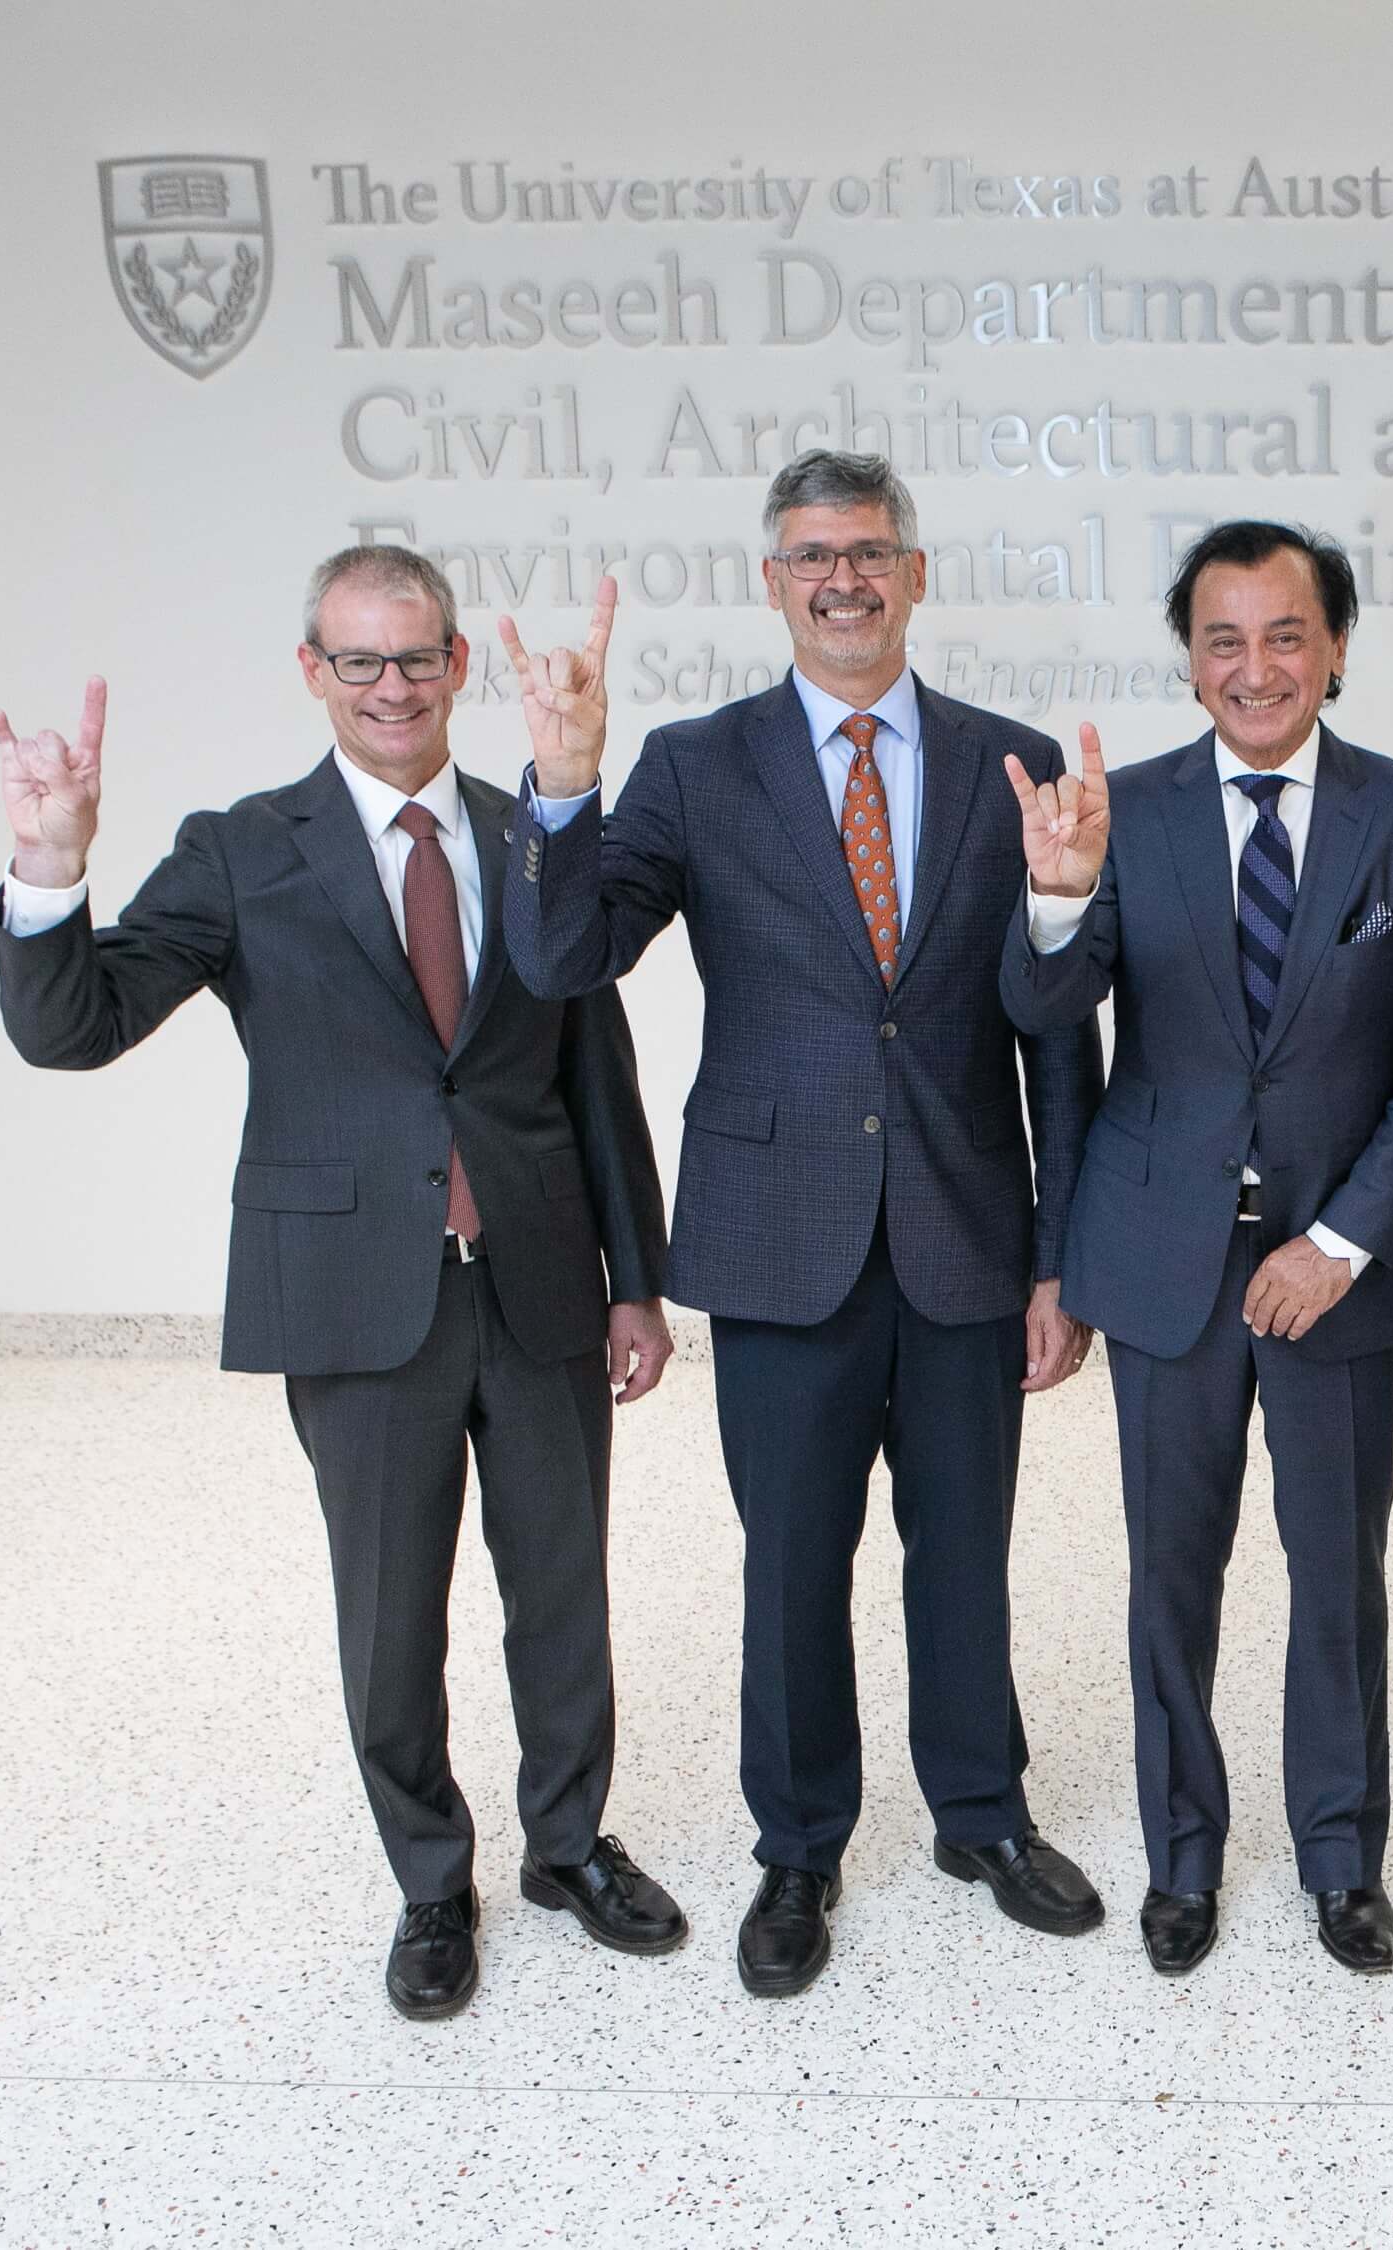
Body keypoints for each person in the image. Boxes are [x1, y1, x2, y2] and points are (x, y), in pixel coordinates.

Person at [0, 544, 683, 2022]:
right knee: (390, 1616)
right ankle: (434, 1881)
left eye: (416, 656)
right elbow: (80, 1024)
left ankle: (568, 1843)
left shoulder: (528, 830)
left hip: (543, 1275)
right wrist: (51, 869)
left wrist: (637, 1276)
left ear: (456, 669)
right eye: (358, 659)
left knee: (563, 1591)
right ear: (313, 671)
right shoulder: (244, 848)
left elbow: (592, 1070)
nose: (390, 685)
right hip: (361, 1302)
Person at [499, 450, 1107, 1998]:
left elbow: (1054, 1028)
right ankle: (799, 1844)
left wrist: (1063, 1252)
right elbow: (571, 956)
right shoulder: (696, 768)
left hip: (970, 1229)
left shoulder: (1012, 760)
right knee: (793, 1562)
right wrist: (564, 785)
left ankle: (980, 1815)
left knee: (964, 1546)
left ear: (916, 571)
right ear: (773, 583)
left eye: (869, 550)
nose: (842, 576)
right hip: (778, 1234)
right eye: (810, 555)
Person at [998, 523, 1393, 1976]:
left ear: (1336, 646)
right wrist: (1060, 893)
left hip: (1338, 1266)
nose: (1256, 667)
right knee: (1173, 1571)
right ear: (1190, 657)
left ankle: (1341, 1857)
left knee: (1337, 1568)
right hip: (1164, 1261)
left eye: (1287, 635)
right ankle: (1183, 1856)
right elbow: (1045, 1013)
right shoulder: (1120, 810)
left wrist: (1340, 1238)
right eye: (1224, 639)